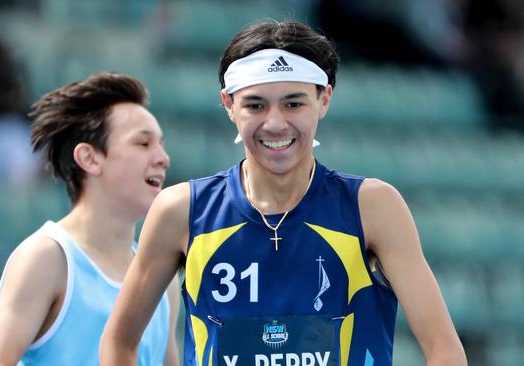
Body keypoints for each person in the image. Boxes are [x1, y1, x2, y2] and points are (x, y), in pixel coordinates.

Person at [100, 20, 467, 365]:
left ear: (324, 100)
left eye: (294, 103)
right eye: (255, 105)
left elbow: (443, 349)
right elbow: (119, 340)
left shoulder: (372, 206)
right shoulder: (181, 210)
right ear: (229, 105)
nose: (275, 123)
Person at [0, 72, 179, 365]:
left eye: (161, 144)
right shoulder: (45, 259)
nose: (163, 158)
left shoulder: (162, 279)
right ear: (90, 158)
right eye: (143, 144)